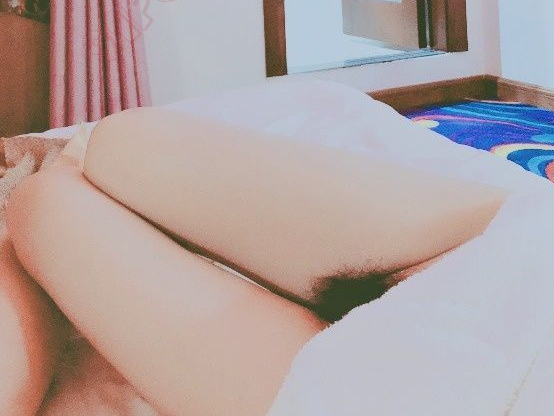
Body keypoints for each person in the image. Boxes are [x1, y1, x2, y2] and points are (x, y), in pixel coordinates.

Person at [2, 107, 508, 415]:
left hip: (396, 377)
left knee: (52, 195)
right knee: (98, 160)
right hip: (503, 282)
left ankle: (65, 177)